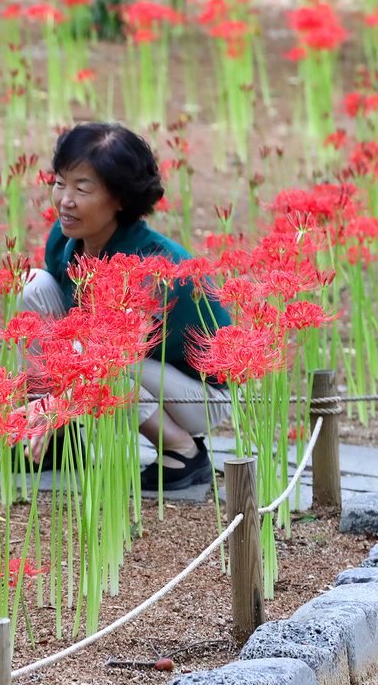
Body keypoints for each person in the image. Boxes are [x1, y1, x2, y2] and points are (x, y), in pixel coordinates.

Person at [20, 122, 234, 491]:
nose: (64, 200)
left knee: (105, 361)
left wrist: (57, 400)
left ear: (119, 199)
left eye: (82, 188)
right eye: (60, 183)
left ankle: (183, 449)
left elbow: (110, 358)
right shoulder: (66, 237)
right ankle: (55, 436)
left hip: (198, 395)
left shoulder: (152, 264)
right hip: (140, 368)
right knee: (33, 286)